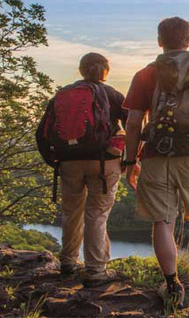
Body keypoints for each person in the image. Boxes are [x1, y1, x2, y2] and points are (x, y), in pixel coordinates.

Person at [123, 17, 189, 310]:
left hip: (156, 156)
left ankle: (172, 286)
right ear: (188, 40)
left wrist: (130, 160)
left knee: (163, 221)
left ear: (160, 40)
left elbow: (134, 123)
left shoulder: (146, 74)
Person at [36, 53, 128, 287]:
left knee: (71, 212)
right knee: (96, 214)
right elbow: (132, 125)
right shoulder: (112, 95)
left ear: (81, 70)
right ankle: (96, 271)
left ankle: (67, 262)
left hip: (69, 163)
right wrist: (129, 160)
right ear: (105, 71)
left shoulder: (63, 94)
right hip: (103, 162)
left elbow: (42, 133)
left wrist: (55, 161)